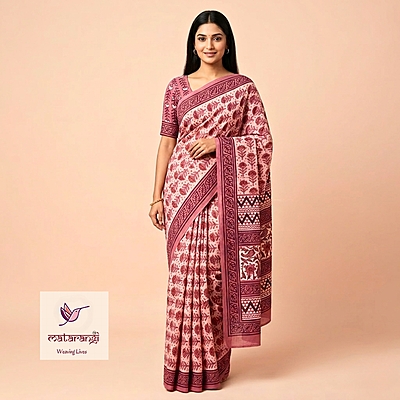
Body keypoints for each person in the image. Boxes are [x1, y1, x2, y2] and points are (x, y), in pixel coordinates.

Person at [149, 10, 273, 393]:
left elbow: (262, 142)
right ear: (193, 44)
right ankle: (180, 369)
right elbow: (166, 142)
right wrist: (155, 196)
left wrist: (219, 145)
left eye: (216, 38)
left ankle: (212, 368)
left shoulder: (243, 88)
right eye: (202, 38)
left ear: (227, 43)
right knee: (183, 277)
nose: (209, 45)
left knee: (214, 277)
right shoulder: (176, 87)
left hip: (223, 193)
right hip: (181, 190)